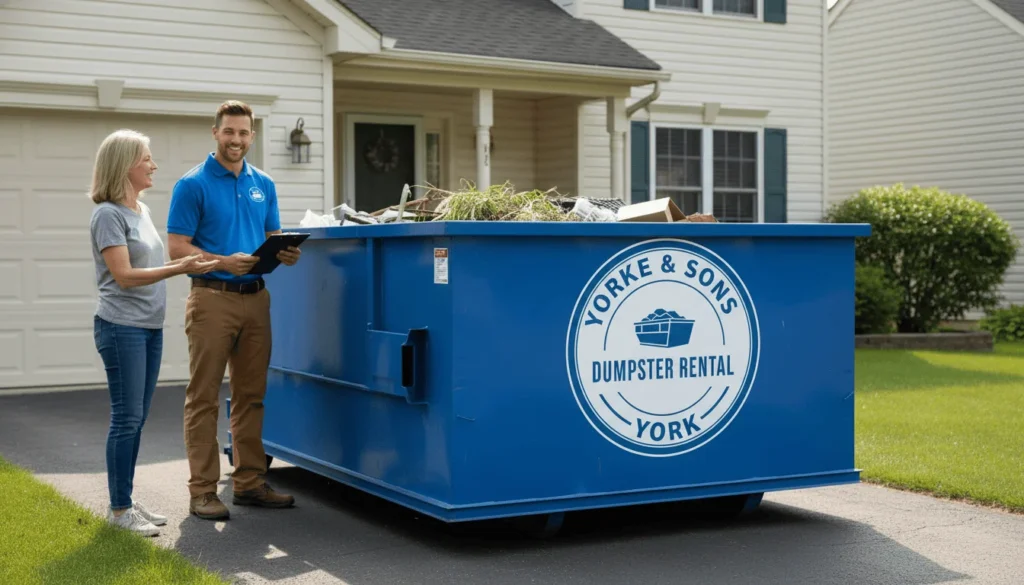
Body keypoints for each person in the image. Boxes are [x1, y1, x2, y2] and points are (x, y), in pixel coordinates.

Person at [167, 100, 301, 521]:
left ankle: (249, 483)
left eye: (243, 133)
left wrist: (285, 251)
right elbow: (177, 249)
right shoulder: (192, 184)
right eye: (229, 131)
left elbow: (271, 234)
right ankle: (203, 491)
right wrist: (223, 261)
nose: (236, 140)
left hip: (256, 299)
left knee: (251, 396)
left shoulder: (264, 183)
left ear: (252, 136)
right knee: (203, 397)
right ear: (215, 132)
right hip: (212, 298)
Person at [89, 129, 217, 536]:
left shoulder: (140, 210)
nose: (153, 165)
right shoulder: (108, 215)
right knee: (126, 419)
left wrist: (187, 266)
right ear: (125, 164)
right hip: (121, 327)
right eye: (146, 158)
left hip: (147, 327)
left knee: (137, 418)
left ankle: (124, 500)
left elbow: (147, 267)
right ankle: (119, 511)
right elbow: (125, 276)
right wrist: (180, 269)